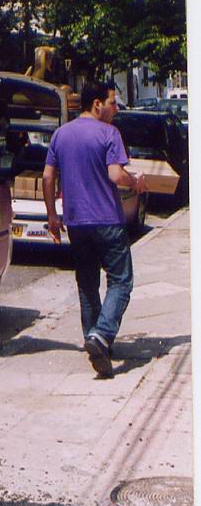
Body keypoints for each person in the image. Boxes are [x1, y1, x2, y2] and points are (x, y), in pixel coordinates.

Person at [42, 79, 146, 378]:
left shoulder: (61, 134)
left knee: (87, 282)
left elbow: (47, 177)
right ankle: (102, 335)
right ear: (97, 104)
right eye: (113, 103)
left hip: (76, 221)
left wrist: (52, 216)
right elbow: (115, 175)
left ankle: (94, 340)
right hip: (107, 220)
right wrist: (135, 182)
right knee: (121, 281)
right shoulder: (109, 133)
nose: (116, 109)